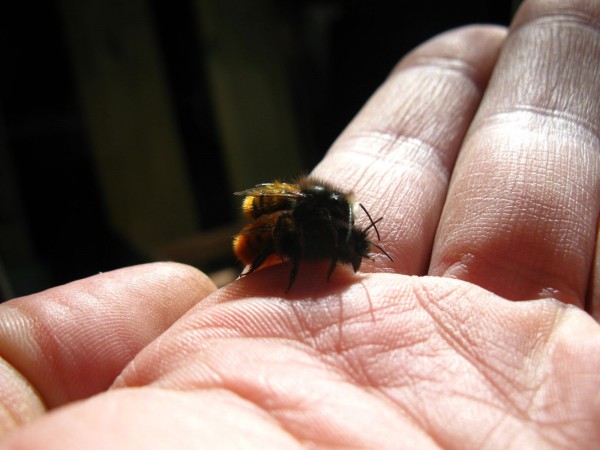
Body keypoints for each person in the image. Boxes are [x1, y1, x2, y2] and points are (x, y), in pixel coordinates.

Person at [1, 0, 599, 447]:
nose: (352, 260)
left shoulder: (331, 228)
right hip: (268, 233)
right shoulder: (316, 224)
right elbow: (289, 221)